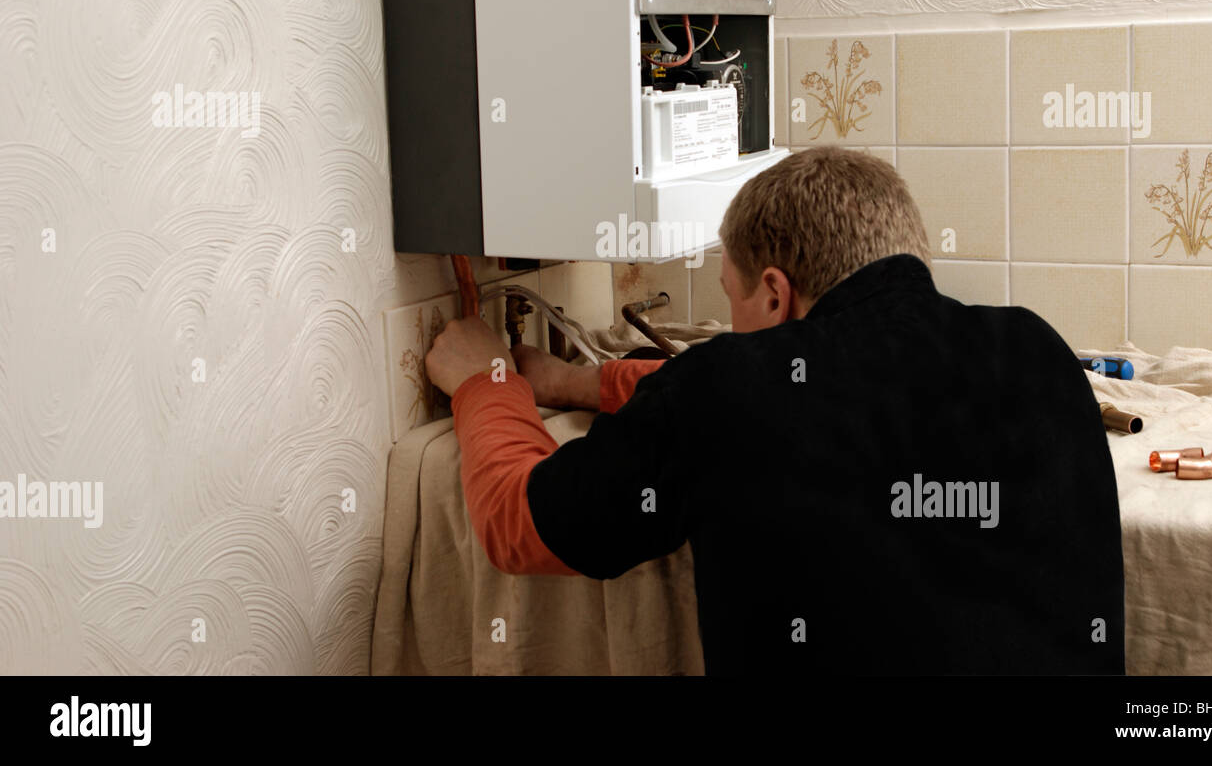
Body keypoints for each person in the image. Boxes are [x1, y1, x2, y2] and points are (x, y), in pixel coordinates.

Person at [425, 148, 1125, 674]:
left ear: (774, 293)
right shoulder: (1037, 350)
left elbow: (520, 523)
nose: (732, 328)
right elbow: (795, 391)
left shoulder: (729, 388)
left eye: (730, 298)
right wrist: (581, 383)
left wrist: (481, 382)